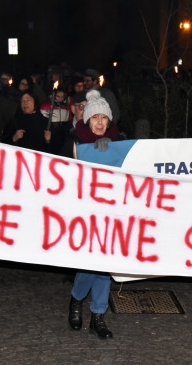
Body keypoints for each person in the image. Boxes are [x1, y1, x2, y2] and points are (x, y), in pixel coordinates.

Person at [68, 90, 124, 339]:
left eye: (104, 117)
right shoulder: (73, 141)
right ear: (87, 120)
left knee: (105, 266)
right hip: (84, 213)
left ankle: (98, 315)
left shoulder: (120, 141)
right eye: (95, 118)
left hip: (111, 213)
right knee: (88, 266)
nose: (100, 122)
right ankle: (76, 299)